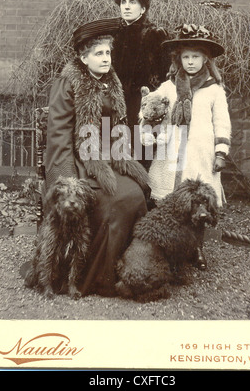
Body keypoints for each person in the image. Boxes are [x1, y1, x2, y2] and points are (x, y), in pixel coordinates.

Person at [44, 18, 149, 297]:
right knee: (115, 202)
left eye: (108, 53)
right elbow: (58, 134)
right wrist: (68, 178)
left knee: (136, 194)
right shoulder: (69, 82)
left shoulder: (110, 81)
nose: (106, 59)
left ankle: (129, 269)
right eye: (99, 53)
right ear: (83, 57)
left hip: (108, 157)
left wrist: (121, 154)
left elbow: (117, 127)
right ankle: (97, 278)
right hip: (78, 161)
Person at [162, 24, 232, 268]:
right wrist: (149, 112)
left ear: (205, 59)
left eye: (195, 57)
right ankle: (172, 249)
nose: (190, 62)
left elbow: (222, 122)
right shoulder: (170, 86)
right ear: (179, 59)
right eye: (186, 57)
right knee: (174, 202)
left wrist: (220, 152)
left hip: (200, 155)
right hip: (174, 153)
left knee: (198, 205)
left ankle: (197, 248)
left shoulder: (214, 90)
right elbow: (154, 109)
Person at [106, 0, 169, 159]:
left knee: (143, 155)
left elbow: (165, 76)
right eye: (123, 1)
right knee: (115, 153)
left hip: (143, 107)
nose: (126, 6)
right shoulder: (112, 34)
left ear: (143, 7)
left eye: (132, 2)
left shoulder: (155, 35)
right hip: (115, 104)